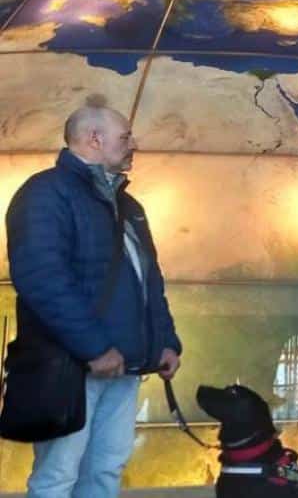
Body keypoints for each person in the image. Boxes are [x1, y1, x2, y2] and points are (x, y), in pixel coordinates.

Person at [6, 94, 182, 497]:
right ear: (94, 138)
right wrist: (95, 348)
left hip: (124, 367)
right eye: (125, 136)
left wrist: (166, 342)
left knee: (105, 473)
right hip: (72, 368)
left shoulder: (128, 205)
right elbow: (43, 280)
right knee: (58, 477)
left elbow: (148, 282)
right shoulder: (45, 194)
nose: (133, 144)